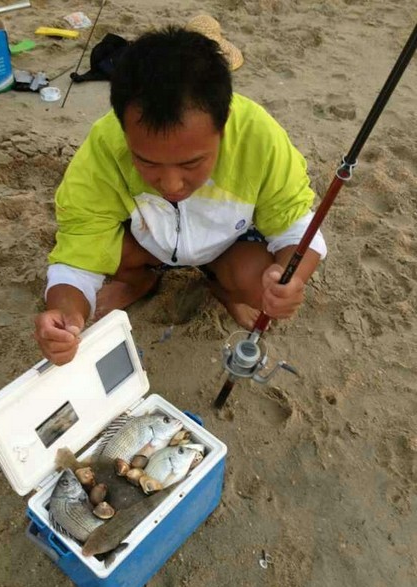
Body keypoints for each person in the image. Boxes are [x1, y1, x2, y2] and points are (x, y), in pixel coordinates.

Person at [35, 26, 327, 365]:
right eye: (146, 162)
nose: (172, 185)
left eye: (191, 163)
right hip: (147, 243)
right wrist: (65, 314)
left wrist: (290, 278)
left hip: (230, 244)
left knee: (260, 288)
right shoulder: (104, 145)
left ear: (224, 125)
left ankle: (221, 288)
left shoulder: (259, 137)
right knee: (105, 250)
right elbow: (79, 248)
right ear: (123, 128)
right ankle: (138, 282)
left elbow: (296, 227)